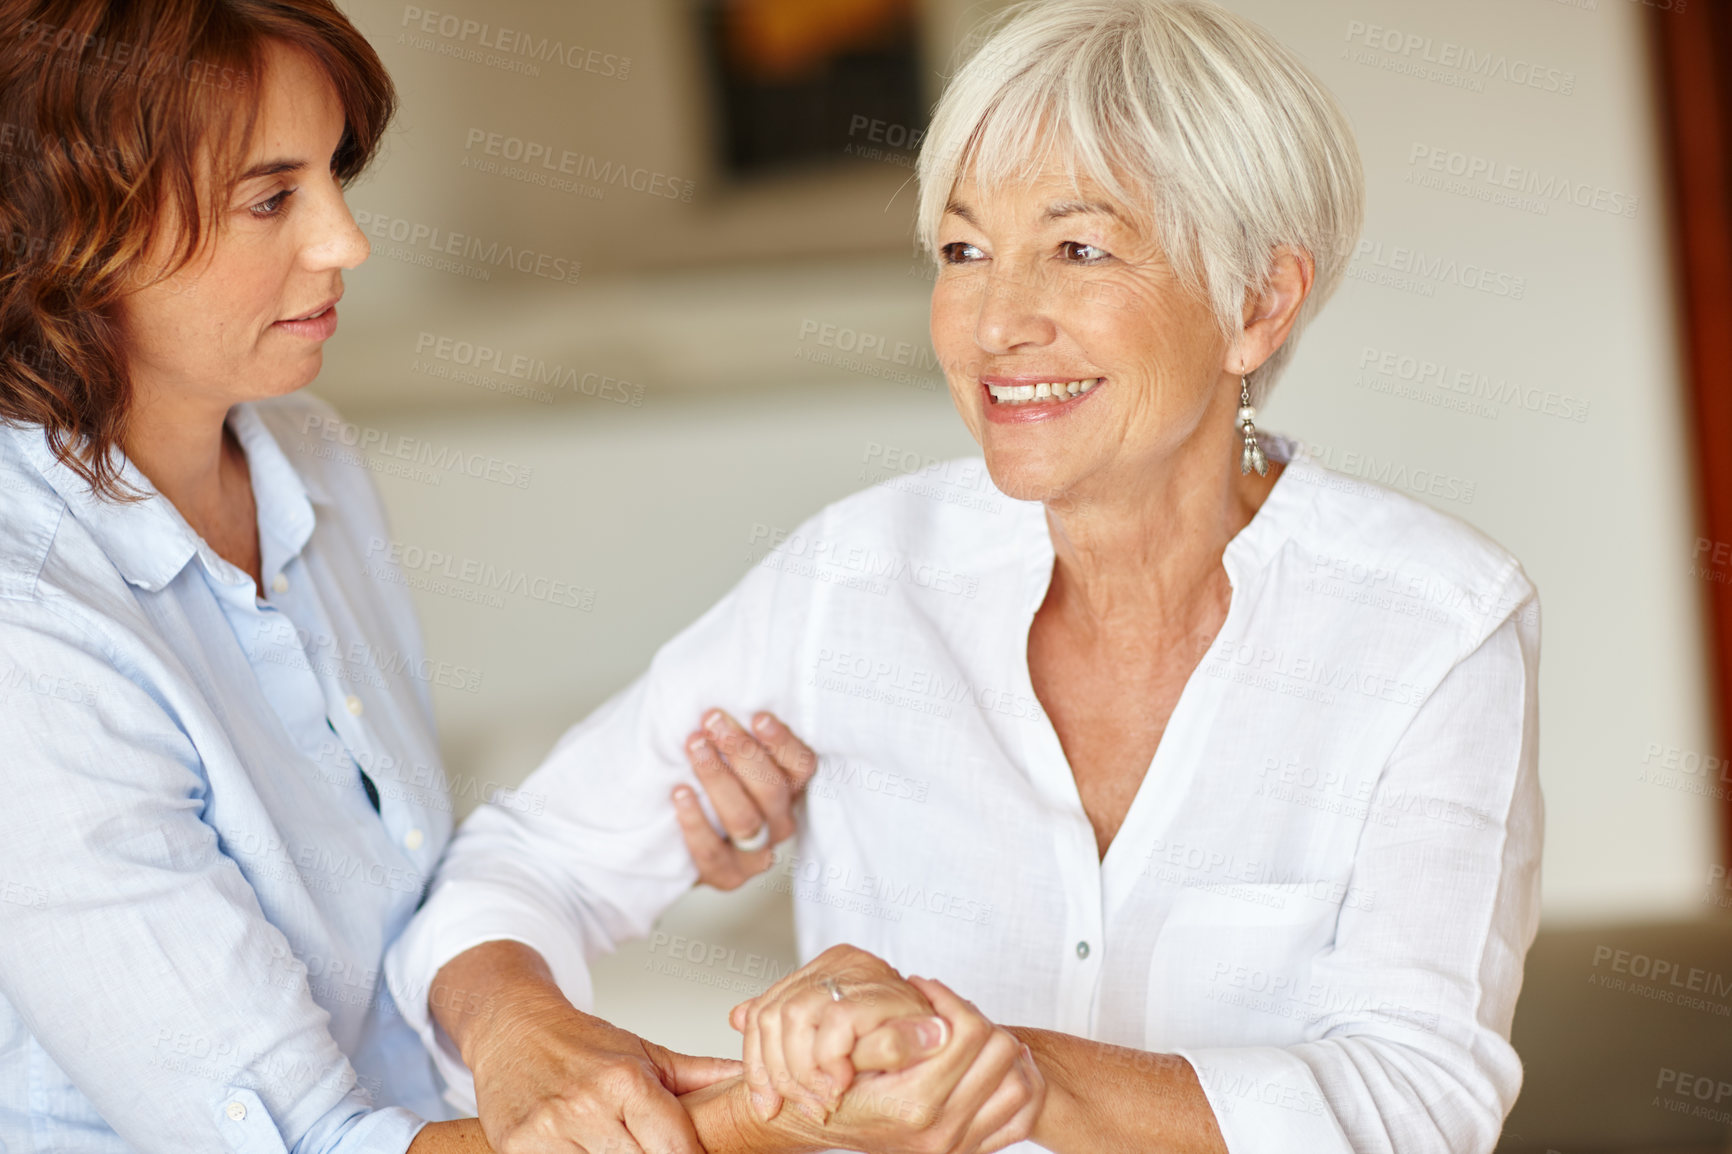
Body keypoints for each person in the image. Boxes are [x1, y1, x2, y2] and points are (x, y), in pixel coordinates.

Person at [388, 1, 1543, 1152]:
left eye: (1078, 248)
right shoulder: (859, 578)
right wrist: (522, 1031)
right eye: (963, 250)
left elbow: (1412, 1102)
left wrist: (995, 1064)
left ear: (1256, 303)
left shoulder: (1431, 622)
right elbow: (524, 861)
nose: (995, 323)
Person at [0, 3, 761, 1150]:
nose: (346, 242)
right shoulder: (30, 630)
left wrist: (524, 993)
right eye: (271, 199)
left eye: (332, 176)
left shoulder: (306, 454)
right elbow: (305, 1139)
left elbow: (394, 893)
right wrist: (783, 1112)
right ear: (68, 228)